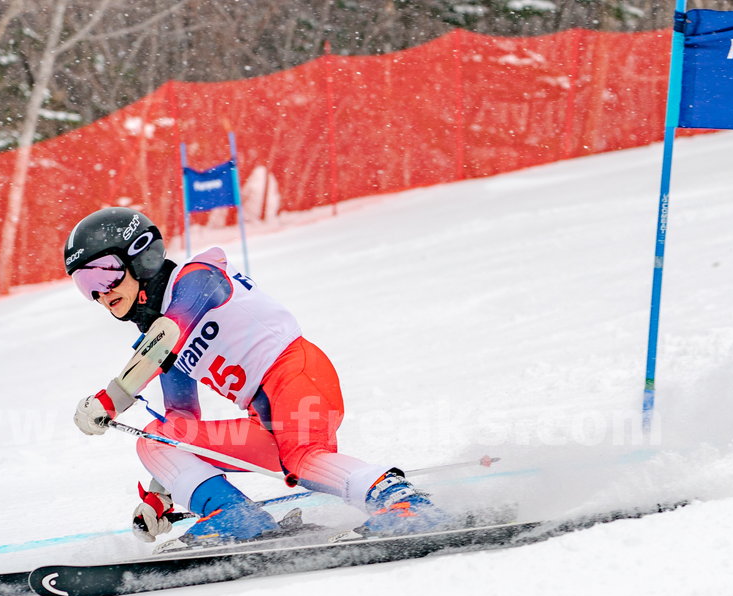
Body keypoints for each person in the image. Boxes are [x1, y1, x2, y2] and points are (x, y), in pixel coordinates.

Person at [66, 206, 448, 545]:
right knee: (157, 439)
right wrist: (162, 494)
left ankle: (402, 502)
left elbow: (167, 335)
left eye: (104, 275)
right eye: (87, 287)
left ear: (141, 256)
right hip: (265, 419)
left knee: (304, 460)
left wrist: (110, 400)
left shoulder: (197, 278)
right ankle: (233, 517)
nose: (101, 294)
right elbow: (182, 422)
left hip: (298, 376)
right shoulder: (159, 339)